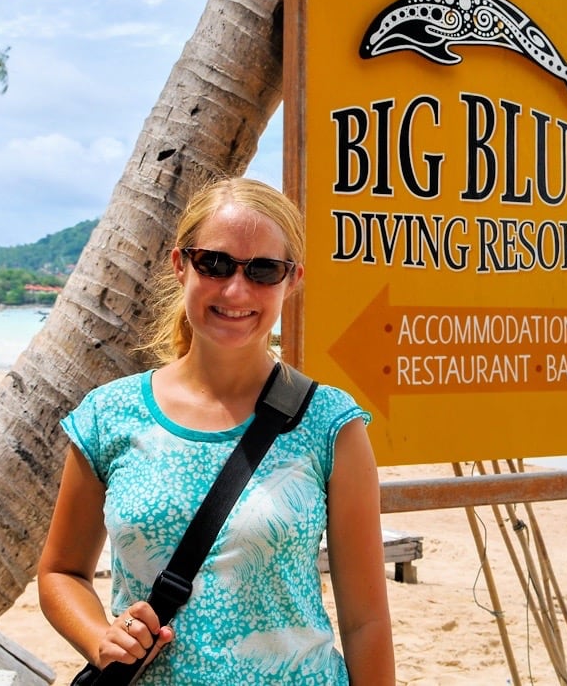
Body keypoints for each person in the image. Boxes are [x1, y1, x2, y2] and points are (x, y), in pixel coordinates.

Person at [38, 177, 395, 684]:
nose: (236, 290)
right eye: (216, 263)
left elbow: (366, 622)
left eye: (264, 270)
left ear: (292, 280)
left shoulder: (330, 424)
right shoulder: (109, 415)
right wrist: (100, 637)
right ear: (180, 264)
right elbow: (61, 572)